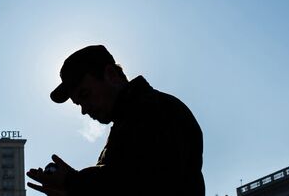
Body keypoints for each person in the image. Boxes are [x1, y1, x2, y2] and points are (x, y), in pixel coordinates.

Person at [26, 44, 204, 196]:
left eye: (85, 95)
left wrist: (72, 182)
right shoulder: (134, 116)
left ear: (111, 74)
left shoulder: (153, 110)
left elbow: (136, 182)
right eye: (78, 104)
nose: (84, 109)